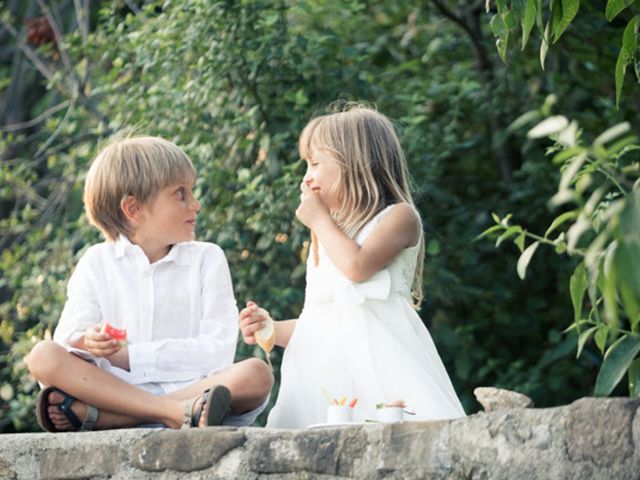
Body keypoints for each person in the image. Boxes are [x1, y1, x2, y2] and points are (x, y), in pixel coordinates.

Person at [26, 135, 273, 432]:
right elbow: (69, 341)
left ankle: (110, 417)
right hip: (114, 389)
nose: (195, 204)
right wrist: (87, 341)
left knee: (257, 374)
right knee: (43, 355)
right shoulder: (96, 262)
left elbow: (218, 350)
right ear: (134, 209)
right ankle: (174, 412)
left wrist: (128, 356)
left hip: (195, 389)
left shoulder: (208, 258)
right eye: (181, 194)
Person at [239, 104, 465, 428]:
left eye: (315, 164)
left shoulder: (399, 218)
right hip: (321, 384)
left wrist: (319, 220)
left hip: (385, 380)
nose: (307, 177)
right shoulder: (327, 235)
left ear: (354, 164)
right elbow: (320, 324)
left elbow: (356, 268)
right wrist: (270, 328)